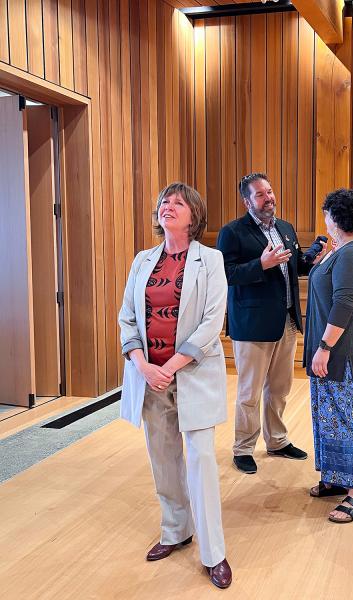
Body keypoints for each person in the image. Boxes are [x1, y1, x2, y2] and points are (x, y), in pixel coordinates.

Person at [118, 182, 232, 589]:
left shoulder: (211, 260)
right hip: (149, 377)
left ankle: (213, 551)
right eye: (165, 201)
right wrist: (144, 365)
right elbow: (127, 317)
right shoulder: (142, 260)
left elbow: (211, 323)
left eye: (178, 202)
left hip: (193, 374)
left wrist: (173, 365)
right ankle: (176, 531)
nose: (168, 206)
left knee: (201, 461)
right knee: (163, 459)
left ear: (194, 215)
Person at [217, 173, 325, 474]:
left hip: (286, 322)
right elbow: (225, 274)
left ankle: (277, 440)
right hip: (252, 325)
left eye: (270, 191)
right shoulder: (233, 233)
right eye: (261, 194)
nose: (269, 198)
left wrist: (310, 259)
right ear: (247, 201)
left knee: (279, 389)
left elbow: (294, 267)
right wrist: (260, 265)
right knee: (249, 392)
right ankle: (243, 447)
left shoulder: (285, 228)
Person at [303, 188, 353, 523]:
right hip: (332, 351)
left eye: (328, 214)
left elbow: (344, 305)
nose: (326, 220)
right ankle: (335, 477)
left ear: (338, 218)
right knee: (327, 414)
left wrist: (325, 347)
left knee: (347, 418)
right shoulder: (341, 250)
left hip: (343, 352)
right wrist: (320, 262)